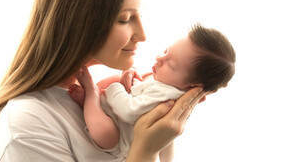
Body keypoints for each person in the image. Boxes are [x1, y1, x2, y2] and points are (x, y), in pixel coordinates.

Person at [0, 0, 207, 162]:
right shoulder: (28, 123)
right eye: (126, 19)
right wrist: (145, 151)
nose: (142, 34)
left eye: (140, 16)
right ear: (80, 22)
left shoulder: (99, 95)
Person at [69, 24, 236, 161]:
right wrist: (133, 77)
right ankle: (91, 103)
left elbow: (129, 111)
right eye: (165, 52)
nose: (159, 58)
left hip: (120, 141)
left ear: (192, 85)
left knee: (105, 134)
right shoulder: (171, 89)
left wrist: (115, 88)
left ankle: (91, 93)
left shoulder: (167, 96)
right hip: (123, 127)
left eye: (171, 65)